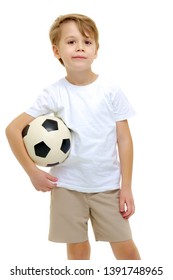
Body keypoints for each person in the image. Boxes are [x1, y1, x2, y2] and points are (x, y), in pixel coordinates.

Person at [6, 13, 141, 260]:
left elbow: (124, 140)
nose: (80, 47)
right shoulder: (54, 93)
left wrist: (127, 187)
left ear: (97, 50)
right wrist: (32, 172)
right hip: (67, 187)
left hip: (107, 187)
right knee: (77, 253)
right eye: (71, 42)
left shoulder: (110, 90)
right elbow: (12, 130)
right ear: (57, 51)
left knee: (126, 250)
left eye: (87, 42)